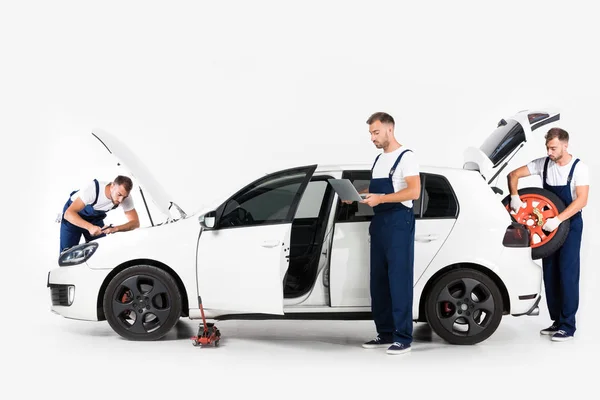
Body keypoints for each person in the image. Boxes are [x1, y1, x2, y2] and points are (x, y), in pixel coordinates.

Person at [507, 127, 589, 342]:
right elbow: (513, 175)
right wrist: (515, 196)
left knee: (567, 275)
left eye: (553, 148)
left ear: (565, 145)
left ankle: (568, 326)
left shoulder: (579, 168)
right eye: (548, 148)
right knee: (550, 274)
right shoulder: (542, 163)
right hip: (546, 227)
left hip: (569, 225)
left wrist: (559, 219)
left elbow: (582, 200)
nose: (550, 152)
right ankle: (557, 322)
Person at [357, 112, 421, 355]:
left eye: (376, 132)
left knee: (399, 282)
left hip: (399, 224)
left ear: (389, 130)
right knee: (379, 282)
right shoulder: (378, 160)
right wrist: (357, 196)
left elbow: (413, 192)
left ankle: (403, 337)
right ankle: (384, 333)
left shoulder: (407, 157)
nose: (372, 138)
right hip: (380, 224)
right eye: (371, 134)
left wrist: (381, 198)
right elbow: (376, 190)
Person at [59, 175, 140, 254]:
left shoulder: (124, 195)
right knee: (67, 255)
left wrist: (115, 228)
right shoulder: (92, 190)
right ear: (112, 186)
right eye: (119, 195)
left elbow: (135, 223)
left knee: (101, 253)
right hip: (73, 217)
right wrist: (89, 227)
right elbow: (68, 214)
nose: (121, 200)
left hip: (95, 219)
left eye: (124, 197)